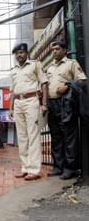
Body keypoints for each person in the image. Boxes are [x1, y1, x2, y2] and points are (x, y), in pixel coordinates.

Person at [46, 41, 87, 180]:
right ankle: (58, 167)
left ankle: (71, 168)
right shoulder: (50, 67)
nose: (54, 52)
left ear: (64, 50)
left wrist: (68, 85)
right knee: (56, 136)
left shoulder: (71, 63)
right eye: (53, 50)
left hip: (66, 103)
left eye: (57, 49)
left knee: (69, 136)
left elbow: (82, 80)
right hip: (52, 104)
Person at [9, 43, 48, 181]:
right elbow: (13, 91)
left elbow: (44, 83)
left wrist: (44, 104)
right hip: (18, 103)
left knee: (33, 135)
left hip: (32, 101)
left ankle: (35, 170)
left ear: (26, 53)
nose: (19, 55)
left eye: (21, 52)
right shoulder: (13, 70)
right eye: (17, 53)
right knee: (22, 137)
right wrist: (10, 108)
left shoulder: (35, 64)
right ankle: (25, 168)